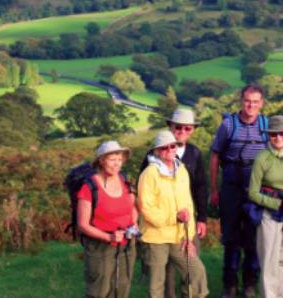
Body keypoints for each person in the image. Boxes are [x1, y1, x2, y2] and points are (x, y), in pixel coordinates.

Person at [140, 108, 208, 298]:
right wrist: (172, 218)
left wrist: (197, 222)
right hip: (158, 232)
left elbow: (198, 190)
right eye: (179, 127)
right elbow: (145, 202)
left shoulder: (190, 159)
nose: (183, 131)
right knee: (162, 279)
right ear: (171, 126)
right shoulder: (150, 166)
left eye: (188, 128)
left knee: (193, 271)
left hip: (183, 228)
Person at [209, 84, 269, 297]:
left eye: (255, 101)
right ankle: (230, 284)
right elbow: (215, 155)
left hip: (257, 189)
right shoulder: (228, 125)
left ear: (261, 103)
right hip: (231, 187)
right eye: (247, 101)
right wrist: (214, 189)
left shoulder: (266, 125)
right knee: (231, 238)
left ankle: (250, 283)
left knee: (254, 238)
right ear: (241, 101)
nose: (250, 105)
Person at [247, 115, 283, 298]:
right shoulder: (262, 158)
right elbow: (253, 192)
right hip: (270, 210)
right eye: (273, 134)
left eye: (282, 133)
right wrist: (277, 203)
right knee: (269, 257)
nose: (278, 137)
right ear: (268, 136)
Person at [76, 140, 138, 298]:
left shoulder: (125, 181)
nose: (117, 164)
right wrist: (108, 236)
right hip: (100, 247)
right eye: (112, 159)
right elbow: (82, 224)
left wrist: (134, 225)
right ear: (101, 160)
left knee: (122, 288)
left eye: (119, 159)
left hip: (126, 245)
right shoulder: (89, 187)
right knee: (99, 291)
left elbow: (132, 208)